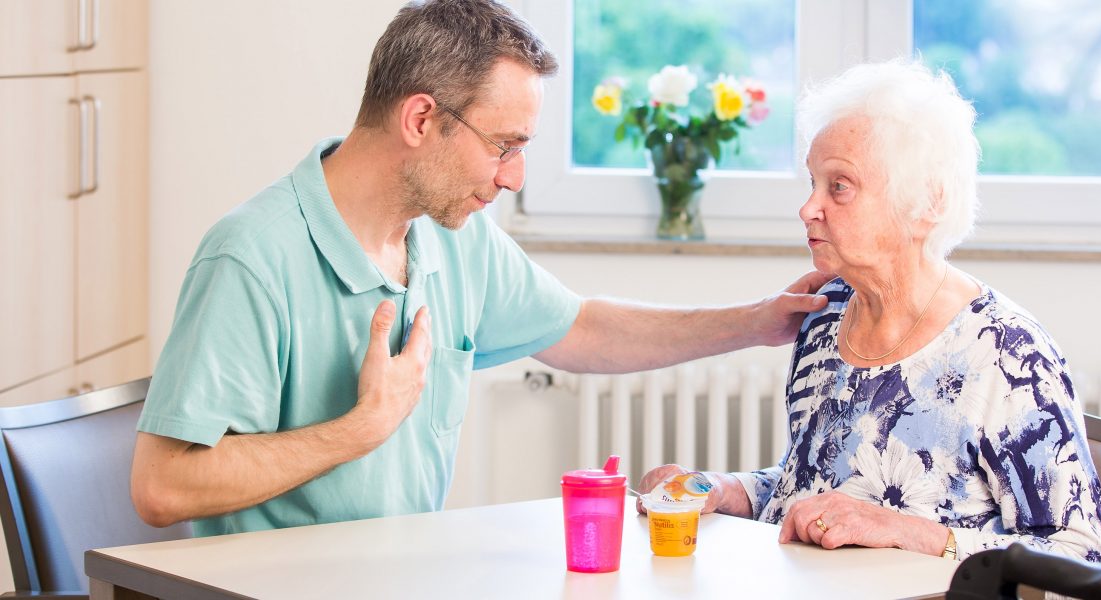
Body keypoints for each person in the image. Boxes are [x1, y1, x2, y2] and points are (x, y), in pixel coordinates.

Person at [129, 0, 830, 536]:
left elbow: (580, 328)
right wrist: (359, 428)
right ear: (420, 119)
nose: (514, 177)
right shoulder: (252, 257)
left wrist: (756, 322)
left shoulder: (451, 237)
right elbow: (162, 486)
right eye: (503, 146)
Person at [638, 59, 1101, 563]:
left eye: (839, 186)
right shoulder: (827, 317)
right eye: (812, 183)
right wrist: (721, 489)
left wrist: (906, 531)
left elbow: (1081, 556)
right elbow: (807, 487)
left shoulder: (1007, 353)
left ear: (927, 203)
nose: (808, 208)